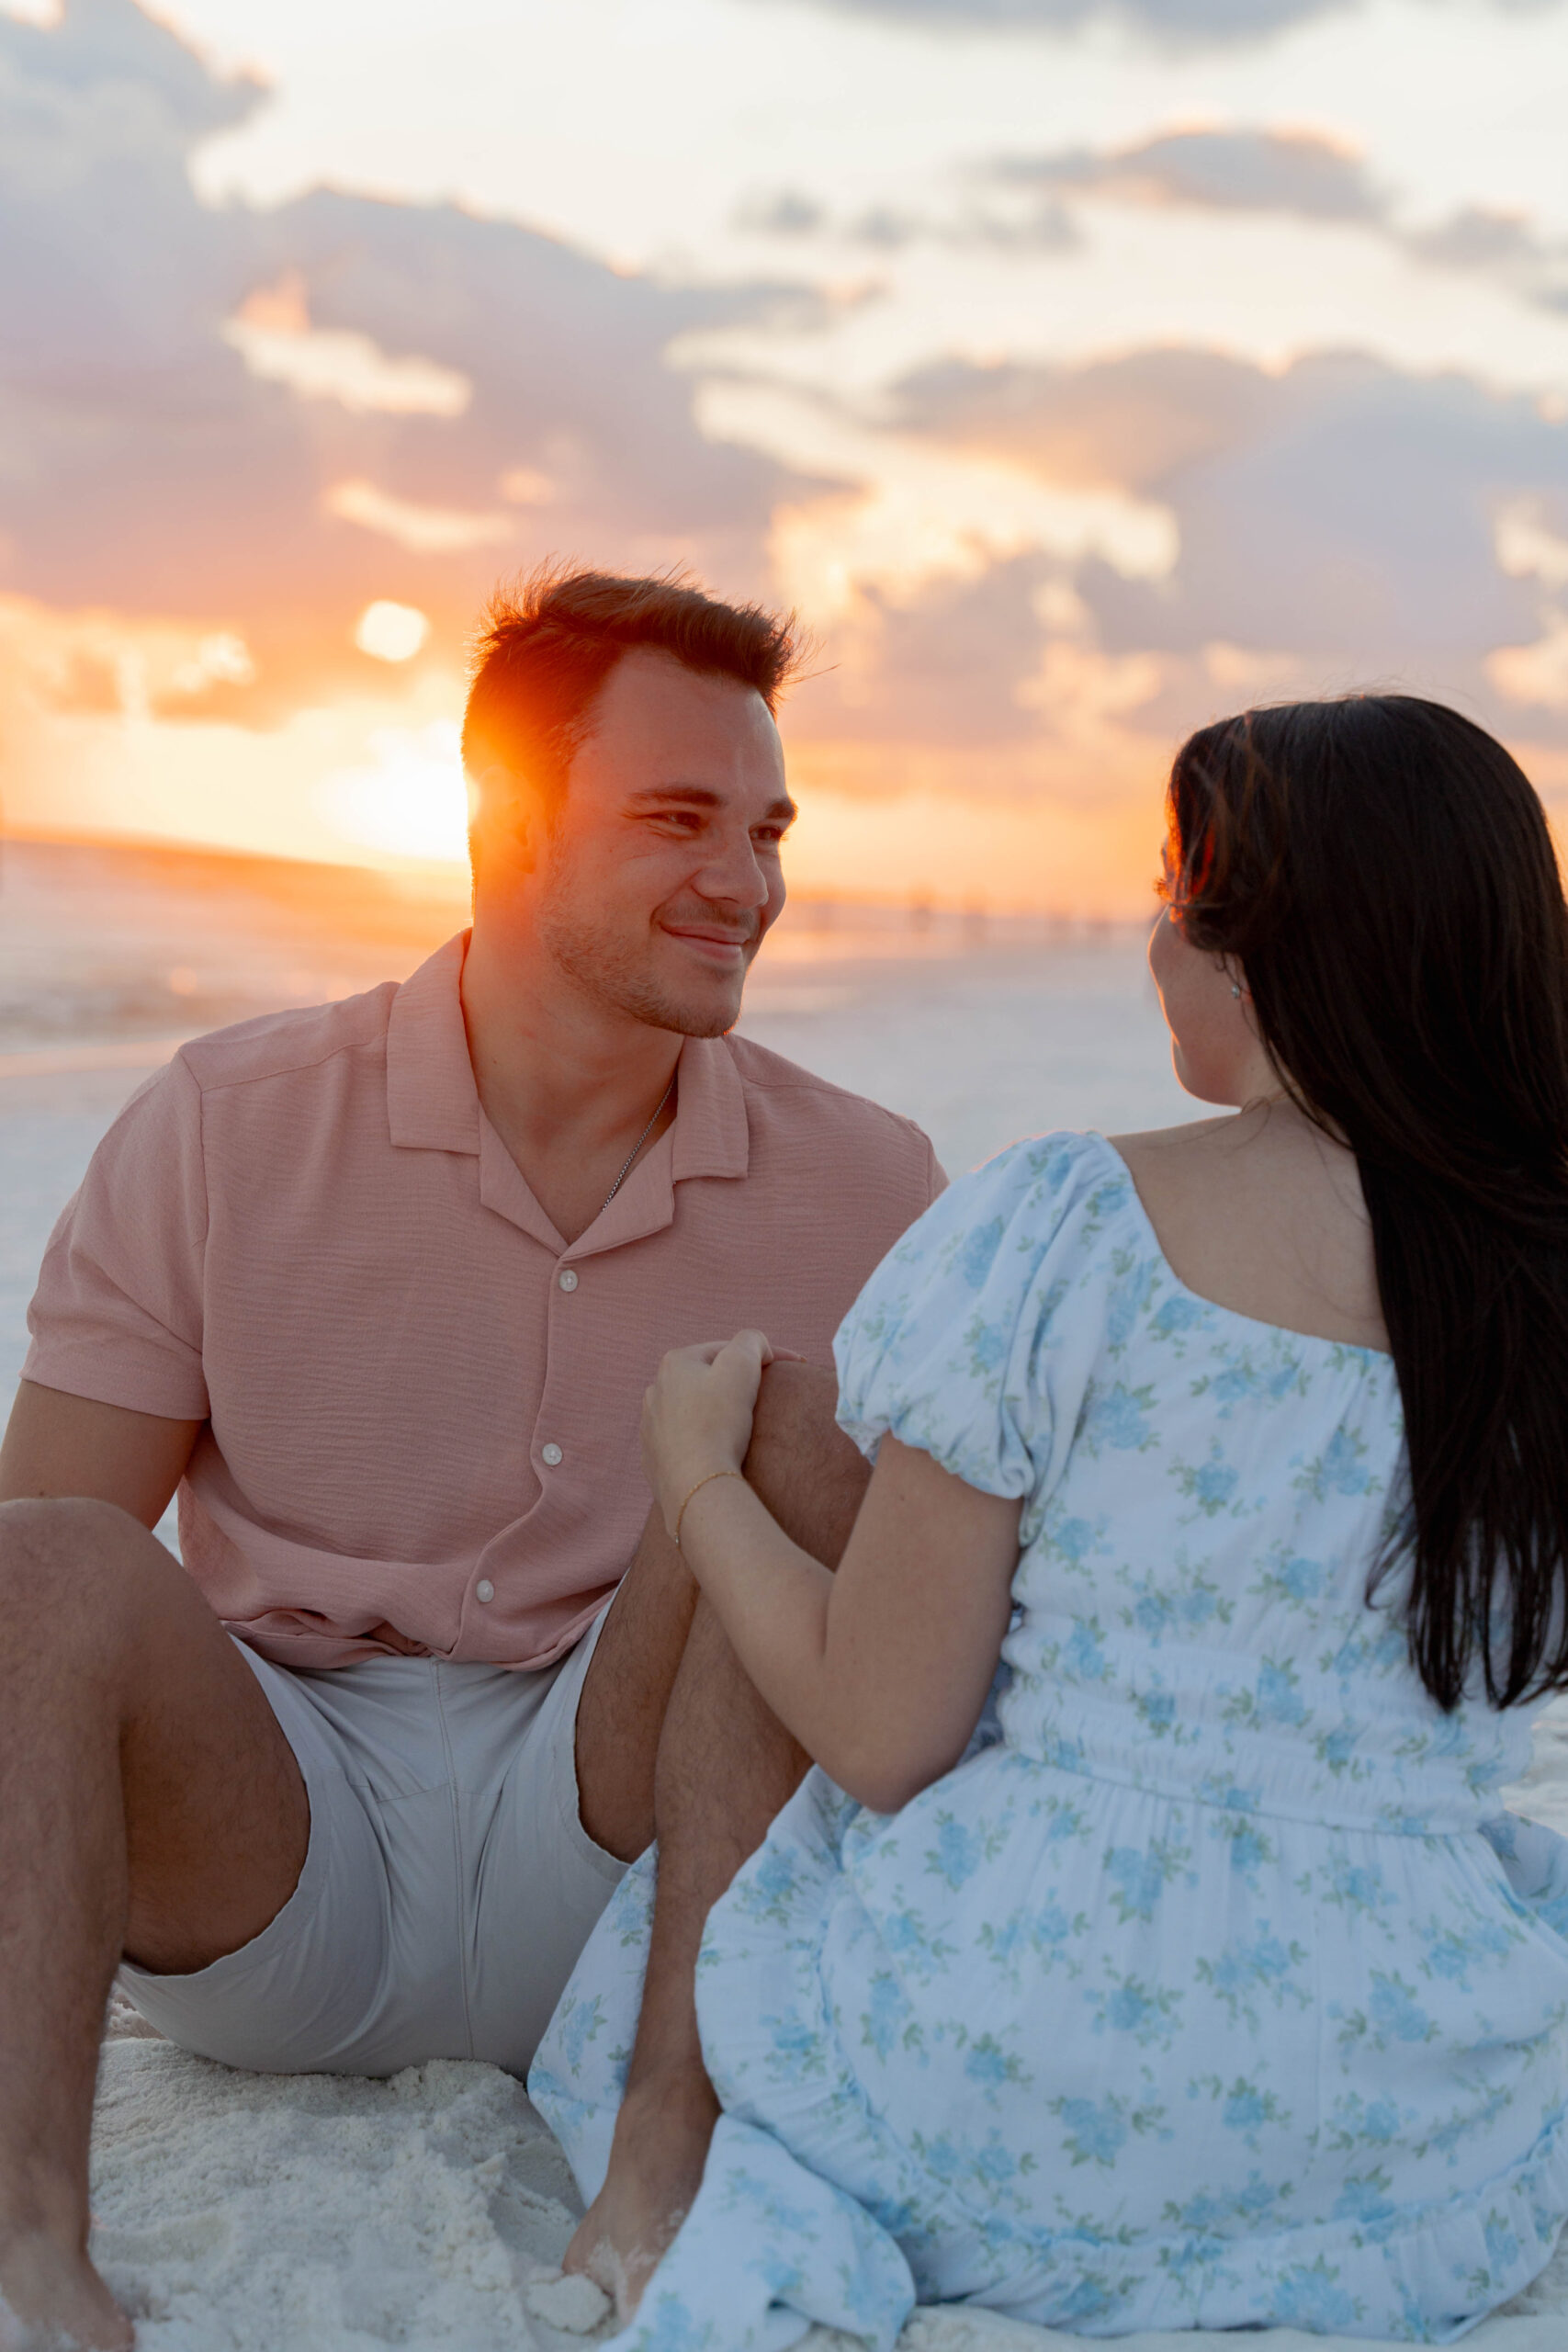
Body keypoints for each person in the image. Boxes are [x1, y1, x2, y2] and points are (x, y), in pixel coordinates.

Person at [533, 694, 1568, 2348]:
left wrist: (700, 1483)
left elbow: (881, 1732)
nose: (1153, 940)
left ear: (1259, 950)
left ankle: (672, 2142)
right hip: (1398, 2091)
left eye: (1176, 895)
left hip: (1047, 2041)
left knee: (778, 1901)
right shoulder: (1532, 1294)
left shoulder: (1068, 1223)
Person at [0, 568, 943, 2352]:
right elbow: (38, 1602)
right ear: (503, 820)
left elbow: (934, 1630)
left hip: (629, 1850)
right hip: (273, 1852)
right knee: (35, 1556)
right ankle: (27, 2249)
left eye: (766, 826)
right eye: (677, 820)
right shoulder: (225, 1118)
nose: (745, 883)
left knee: (782, 1418)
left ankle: (660, 2156)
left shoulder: (871, 1176)